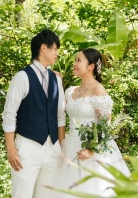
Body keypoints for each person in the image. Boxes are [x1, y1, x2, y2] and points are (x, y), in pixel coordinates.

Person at [52, 48, 130, 197]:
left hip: (93, 149)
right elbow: (60, 114)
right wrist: (62, 144)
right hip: (70, 146)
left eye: (79, 60)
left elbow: (105, 122)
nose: (74, 63)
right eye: (75, 60)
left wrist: (91, 149)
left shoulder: (98, 90)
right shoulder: (70, 91)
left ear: (91, 66)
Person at [2, 29, 66, 198]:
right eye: (55, 48)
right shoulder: (22, 77)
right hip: (27, 147)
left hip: (52, 148)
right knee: (22, 195)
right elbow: (9, 114)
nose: (57, 53)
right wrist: (10, 148)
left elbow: (60, 115)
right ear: (43, 48)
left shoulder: (56, 79)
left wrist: (61, 146)